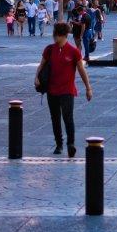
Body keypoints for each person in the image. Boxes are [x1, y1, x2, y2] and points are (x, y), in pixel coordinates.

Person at [36, 22, 93, 157]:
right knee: (55, 118)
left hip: (67, 90)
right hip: (52, 90)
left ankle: (70, 144)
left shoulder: (74, 52)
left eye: (59, 35)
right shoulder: (49, 50)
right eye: (55, 35)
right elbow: (41, 65)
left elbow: (81, 70)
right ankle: (59, 144)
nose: (55, 38)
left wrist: (88, 88)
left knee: (68, 118)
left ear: (65, 35)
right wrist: (36, 77)